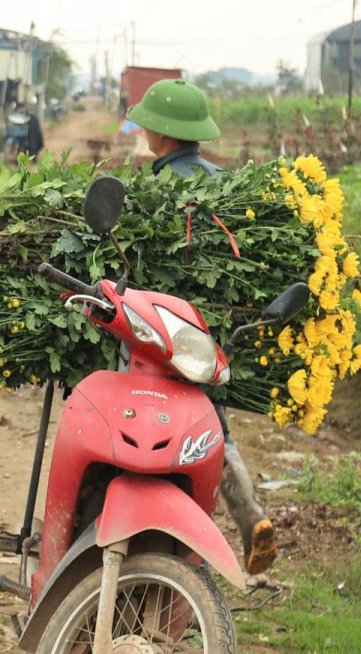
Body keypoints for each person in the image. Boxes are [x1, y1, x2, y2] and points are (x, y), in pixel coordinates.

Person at [118, 78, 277, 576]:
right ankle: (245, 512)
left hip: (157, 331)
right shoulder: (227, 186)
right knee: (212, 424)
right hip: (207, 340)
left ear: (161, 134)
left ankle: (139, 525)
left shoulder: (151, 189)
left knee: (135, 417)